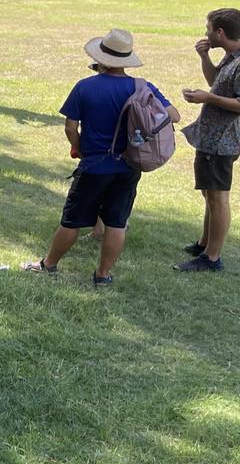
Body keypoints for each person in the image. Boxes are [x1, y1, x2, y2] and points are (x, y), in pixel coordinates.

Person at [21, 29, 180, 286]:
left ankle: (48, 265)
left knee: (72, 220)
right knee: (117, 222)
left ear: (101, 59)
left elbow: (70, 127)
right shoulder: (143, 87)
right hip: (129, 165)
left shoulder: (85, 87)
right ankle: (103, 276)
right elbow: (173, 116)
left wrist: (80, 148)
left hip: (94, 165)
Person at [178, 8, 240, 272]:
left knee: (218, 197)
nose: (205, 33)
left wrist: (209, 98)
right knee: (209, 193)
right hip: (212, 137)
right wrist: (204, 57)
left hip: (222, 140)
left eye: (208, 29)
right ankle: (204, 243)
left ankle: (211, 258)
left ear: (220, 32)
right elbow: (217, 82)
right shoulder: (231, 57)